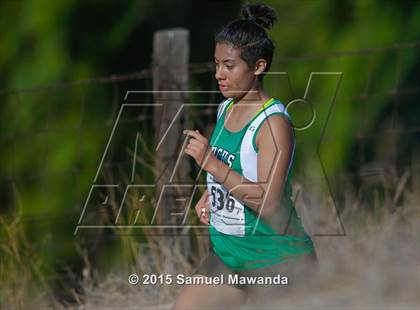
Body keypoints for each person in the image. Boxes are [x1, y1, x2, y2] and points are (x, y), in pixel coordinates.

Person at [172, 3, 319, 309]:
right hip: (230, 258)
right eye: (216, 64)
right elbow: (233, 169)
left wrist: (210, 163)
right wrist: (211, 193)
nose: (218, 75)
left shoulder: (273, 123)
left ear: (259, 66)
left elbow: (269, 203)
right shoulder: (226, 107)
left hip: (278, 262)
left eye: (229, 66)